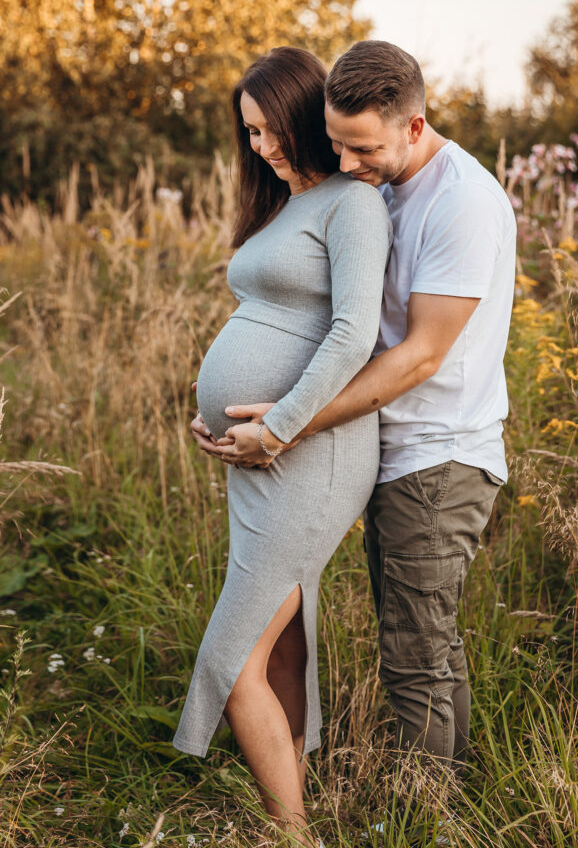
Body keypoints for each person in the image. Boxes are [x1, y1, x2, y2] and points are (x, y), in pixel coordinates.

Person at [197, 40, 517, 777]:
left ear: (413, 125)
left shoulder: (460, 200)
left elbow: (418, 356)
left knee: (416, 659)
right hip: (386, 448)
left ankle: (426, 817)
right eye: (336, 145)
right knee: (415, 644)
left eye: (362, 148)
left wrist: (280, 426)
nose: (345, 165)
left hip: (437, 452)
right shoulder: (380, 186)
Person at [174, 46, 392, 848]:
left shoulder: (352, 203)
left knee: (233, 663)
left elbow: (351, 336)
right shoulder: (282, 205)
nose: (259, 147)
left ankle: (293, 837)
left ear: (303, 114)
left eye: (268, 129)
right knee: (281, 640)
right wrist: (219, 422)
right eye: (248, 134)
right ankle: (306, 798)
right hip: (262, 450)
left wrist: (276, 427)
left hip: (312, 450)